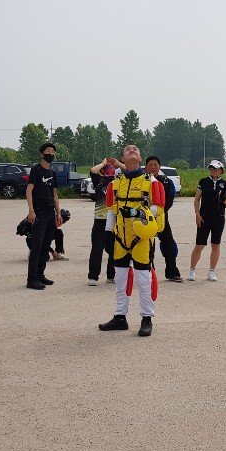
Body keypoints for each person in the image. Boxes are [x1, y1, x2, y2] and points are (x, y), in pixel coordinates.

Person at [98, 144, 165, 337]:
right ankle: (120, 317)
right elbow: (111, 211)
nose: (132, 150)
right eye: (128, 149)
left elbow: (159, 208)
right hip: (120, 238)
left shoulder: (151, 181)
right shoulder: (115, 184)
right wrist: (108, 233)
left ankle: (147, 318)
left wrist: (137, 213)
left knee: (143, 279)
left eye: (136, 149)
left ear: (140, 157)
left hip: (141, 239)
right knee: (120, 278)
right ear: (122, 158)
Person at [187, 159, 226, 282]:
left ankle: (212, 271)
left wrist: (223, 200)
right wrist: (197, 214)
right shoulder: (203, 182)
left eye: (216, 169)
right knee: (200, 245)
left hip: (219, 218)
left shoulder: (225, 184)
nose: (213, 171)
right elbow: (197, 199)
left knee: (215, 244)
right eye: (211, 168)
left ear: (221, 170)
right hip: (204, 217)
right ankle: (192, 270)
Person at [25, 143, 63, 290]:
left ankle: (40, 275)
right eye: (48, 151)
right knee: (37, 245)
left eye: (53, 151)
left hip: (50, 212)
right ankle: (31, 279)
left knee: (46, 244)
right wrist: (31, 210)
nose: (50, 153)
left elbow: (55, 194)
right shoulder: (36, 170)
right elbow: (29, 191)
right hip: (39, 211)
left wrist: (58, 213)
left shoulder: (52, 173)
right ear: (42, 154)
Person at [146, 156, 181, 281]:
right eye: (150, 165)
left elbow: (170, 199)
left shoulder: (166, 181)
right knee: (147, 247)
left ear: (159, 167)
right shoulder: (141, 181)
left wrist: (159, 211)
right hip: (145, 220)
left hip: (162, 218)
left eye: (155, 165)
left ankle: (172, 272)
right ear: (146, 167)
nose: (153, 167)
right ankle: (148, 273)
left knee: (169, 245)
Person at [88, 158, 119, 286]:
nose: (109, 168)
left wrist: (117, 163)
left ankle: (111, 275)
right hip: (100, 219)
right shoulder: (99, 181)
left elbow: (128, 170)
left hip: (115, 220)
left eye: (112, 166)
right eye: (107, 167)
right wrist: (103, 163)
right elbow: (93, 170)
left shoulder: (119, 181)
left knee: (114, 249)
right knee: (97, 248)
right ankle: (93, 276)